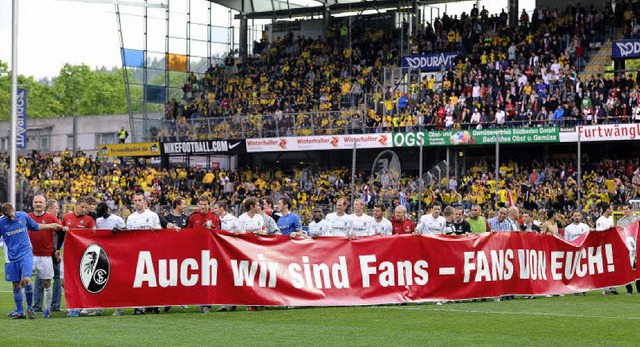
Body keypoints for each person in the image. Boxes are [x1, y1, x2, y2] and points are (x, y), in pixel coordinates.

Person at [1, 203, 62, 319]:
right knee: (15, 284)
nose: (12, 218)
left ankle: (29, 308)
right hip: (12, 257)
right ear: (4, 215)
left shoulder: (22, 216)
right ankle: (20, 312)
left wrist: (50, 225)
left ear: (14, 210)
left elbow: (35, 226)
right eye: (9, 217)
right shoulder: (1, 223)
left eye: (12, 215)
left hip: (26, 254)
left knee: (26, 279)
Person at [123, 193, 161, 315]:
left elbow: (161, 231)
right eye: (135, 201)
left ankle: (154, 305)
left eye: (140, 200)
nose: (138, 202)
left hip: (152, 251)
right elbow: (127, 235)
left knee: (153, 279)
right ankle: (139, 306)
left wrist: (156, 229)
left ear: (144, 201)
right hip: (137, 252)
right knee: (138, 280)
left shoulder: (152, 215)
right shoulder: (131, 218)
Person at [86, 202, 126, 316]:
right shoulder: (98, 221)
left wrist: (118, 231)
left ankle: (119, 307)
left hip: (116, 254)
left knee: (116, 281)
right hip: (103, 254)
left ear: (107, 210)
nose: (101, 216)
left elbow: (127, 233)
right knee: (100, 279)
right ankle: (98, 308)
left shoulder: (117, 219)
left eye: (103, 213)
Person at [27, 195, 61, 318]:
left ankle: (47, 310)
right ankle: (26, 308)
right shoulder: (28, 217)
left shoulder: (51, 217)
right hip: (29, 256)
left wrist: (57, 249)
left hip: (45, 256)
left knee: (47, 283)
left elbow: (60, 231)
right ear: (32, 204)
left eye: (40, 202)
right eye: (36, 202)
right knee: (23, 281)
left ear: (45, 205)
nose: (38, 204)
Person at [213, 201, 241, 313]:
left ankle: (233, 301)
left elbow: (240, 231)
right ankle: (224, 303)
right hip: (219, 250)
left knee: (232, 275)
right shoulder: (214, 220)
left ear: (221, 208)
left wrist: (237, 232)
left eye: (216, 208)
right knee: (221, 276)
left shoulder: (233, 219)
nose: (214, 210)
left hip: (230, 250)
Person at [564, 210, 590, 296]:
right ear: (572, 217)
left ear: (581, 216)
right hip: (573, 252)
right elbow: (566, 241)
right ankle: (575, 289)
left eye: (578, 215)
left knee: (583, 270)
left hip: (583, 251)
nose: (577, 217)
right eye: (575, 216)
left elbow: (588, 239)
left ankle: (583, 289)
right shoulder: (568, 228)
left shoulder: (585, 227)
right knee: (574, 271)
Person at [596, 204, 619, 295]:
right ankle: (605, 288)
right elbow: (599, 234)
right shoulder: (600, 220)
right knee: (604, 266)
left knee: (612, 266)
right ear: (606, 209)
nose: (612, 210)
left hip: (611, 245)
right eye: (611, 208)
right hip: (603, 246)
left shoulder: (610, 218)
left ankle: (612, 286)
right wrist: (608, 229)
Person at [617, 202, 640, 294]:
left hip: (637, 246)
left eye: (627, 209)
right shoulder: (621, 221)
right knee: (627, 268)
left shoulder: (637, 219)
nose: (625, 211)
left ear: (631, 209)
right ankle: (629, 288)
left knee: (638, 267)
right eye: (624, 209)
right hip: (627, 247)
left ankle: (639, 288)